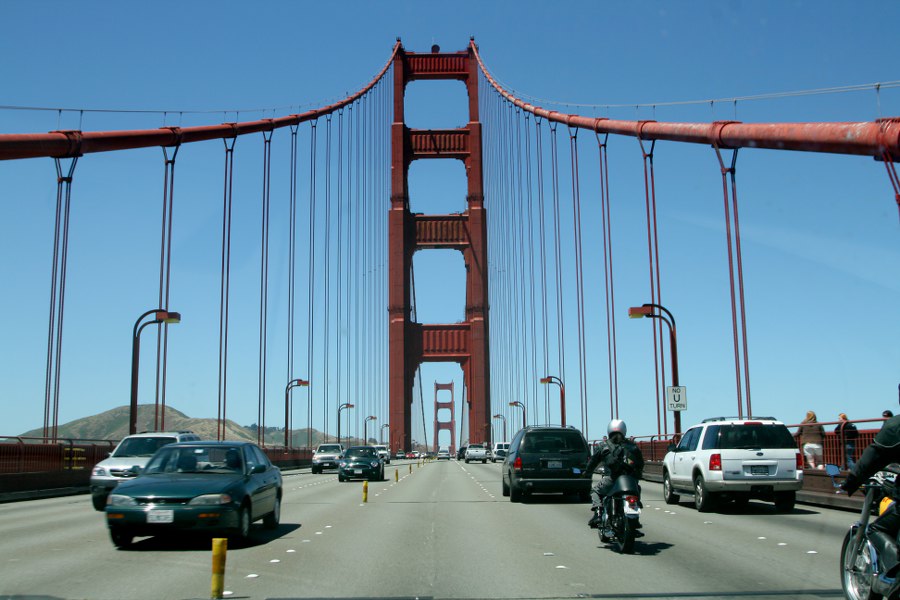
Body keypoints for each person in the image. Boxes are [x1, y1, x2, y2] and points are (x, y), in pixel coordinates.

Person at [841, 411, 900, 579]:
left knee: (875, 529)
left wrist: (851, 482)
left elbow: (871, 459)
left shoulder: (895, 426)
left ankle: (894, 573)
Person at [584, 419, 644, 534]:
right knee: (636, 489)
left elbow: (592, 462)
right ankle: (635, 519)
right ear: (624, 430)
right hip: (629, 480)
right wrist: (637, 475)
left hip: (612, 479)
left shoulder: (603, 446)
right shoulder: (633, 446)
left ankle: (597, 514)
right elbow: (640, 464)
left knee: (595, 491)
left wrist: (587, 473)